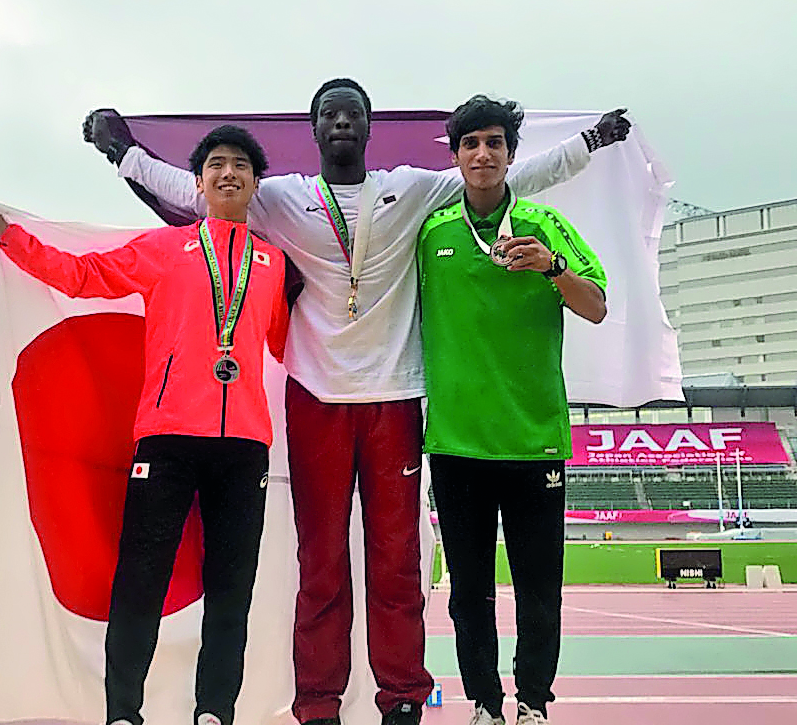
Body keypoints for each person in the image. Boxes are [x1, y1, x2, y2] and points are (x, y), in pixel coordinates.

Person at [82, 79, 630, 725]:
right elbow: (196, 192)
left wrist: (587, 144)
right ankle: (318, 703)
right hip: (317, 397)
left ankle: (401, 696)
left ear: (367, 127)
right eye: (329, 115)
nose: (341, 122)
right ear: (314, 130)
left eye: (352, 114)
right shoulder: (281, 198)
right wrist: (122, 154)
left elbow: (511, 174)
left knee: (396, 563)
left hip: (395, 400)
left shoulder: (414, 188)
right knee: (321, 564)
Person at [0, 125, 289, 725]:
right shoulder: (164, 249)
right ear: (198, 183)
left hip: (244, 446)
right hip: (166, 441)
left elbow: (281, 340)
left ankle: (214, 710)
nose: (228, 174)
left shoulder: (273, 264)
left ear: (254, 183)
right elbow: (83, 276)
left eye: (240, 166)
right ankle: (123, 712)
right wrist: (8, 237)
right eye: (216, 165)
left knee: (232, 590)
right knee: (140, 581)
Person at [416, 95, 609, 725]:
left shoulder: (545, 227)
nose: (482, 154)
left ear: (508, 154)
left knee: (538, 589)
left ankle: (532, 702)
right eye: (470, 144)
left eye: (494, 143)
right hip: (455, 442)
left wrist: (552, 268)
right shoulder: (431, 232)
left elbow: (597, 306)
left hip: (535, 442)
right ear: (455, 156)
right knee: (469, 594)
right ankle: (484, 703)